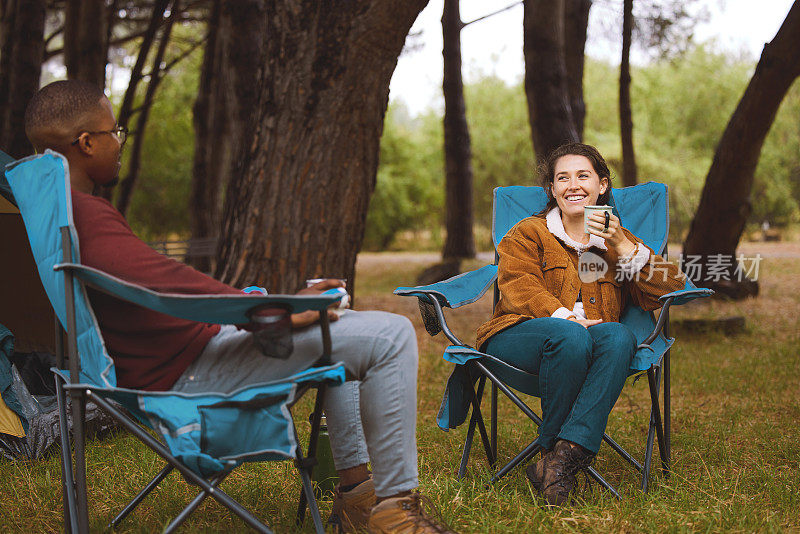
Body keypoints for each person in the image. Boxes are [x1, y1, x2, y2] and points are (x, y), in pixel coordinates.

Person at [24, 80, 454, 534]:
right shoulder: (86, 216)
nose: (119, 143)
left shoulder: (59, 214)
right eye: (116, 132)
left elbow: (154, 290)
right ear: (86, 143)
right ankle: (395, 513)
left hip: (182, 358)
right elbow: (165, 284)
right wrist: (276, 312)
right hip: (187, 377)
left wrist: (264, 307)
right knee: (391, 336)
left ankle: (358, 500)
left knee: (342, 331)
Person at [476, 143, 685, 506]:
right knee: (571, 334)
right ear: (552, 190)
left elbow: (672, 285)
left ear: (602, 185)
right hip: (518, 337)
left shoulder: (614, 240)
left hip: (587, 346)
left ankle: (559, 460)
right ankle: (561, 455)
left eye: (583, 175)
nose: (573, 184)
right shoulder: (528, 233)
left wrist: (621, 242)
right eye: (563, 178)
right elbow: (518, 287)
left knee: (620, 337)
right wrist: (566, 317)